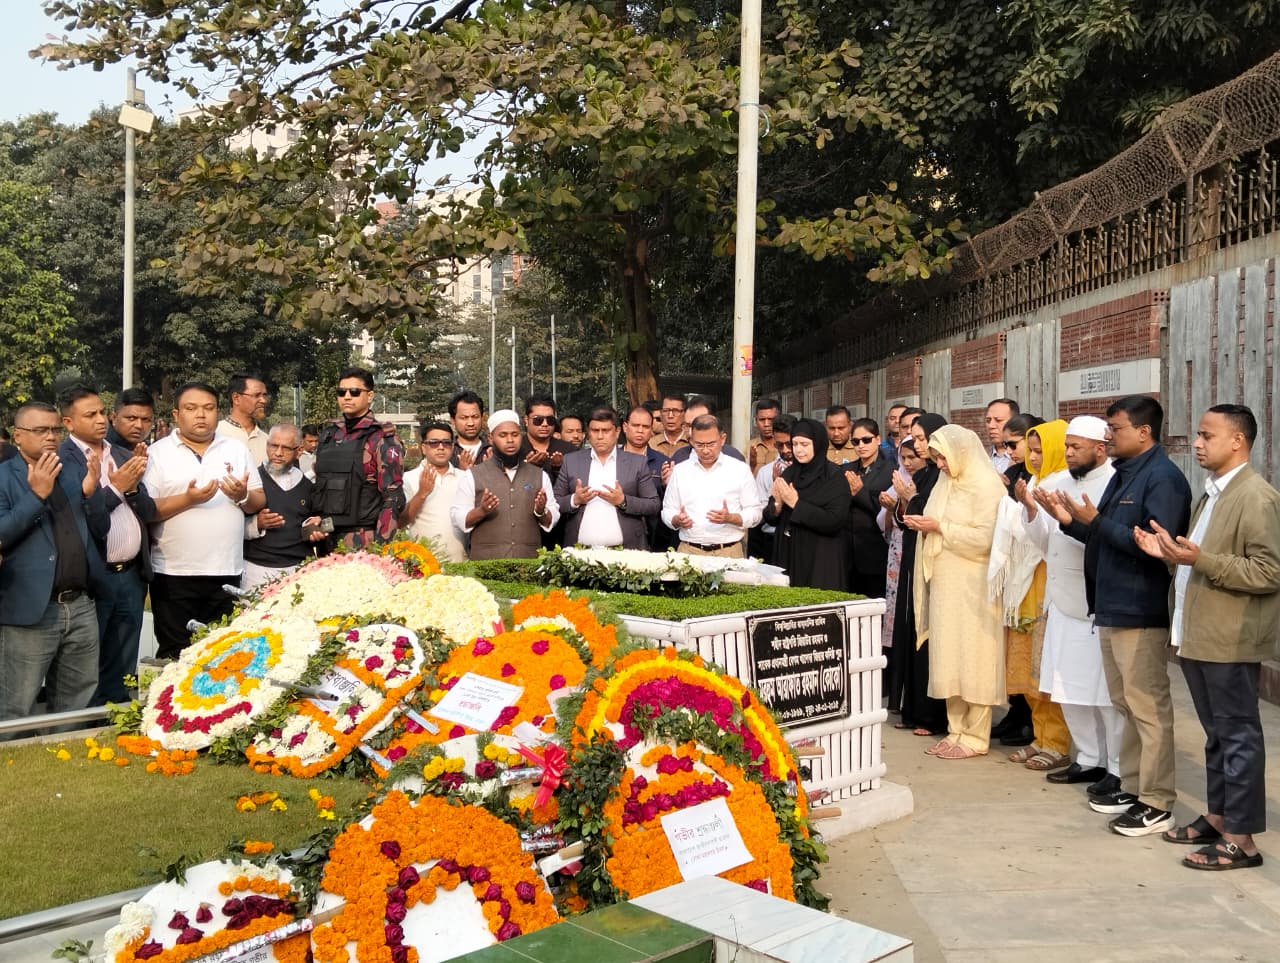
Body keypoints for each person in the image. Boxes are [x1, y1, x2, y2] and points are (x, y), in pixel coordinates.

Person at [1133, 404, 1279, 869]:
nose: (1196, 443)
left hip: (1230, 638)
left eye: (1206, 435)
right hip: (1199, 633)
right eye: (1198, 434)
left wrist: (1199, 560)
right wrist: (1167, 553)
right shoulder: (1214, 493)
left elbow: (1268, 571)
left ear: (1238, 440)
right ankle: (1219, 817)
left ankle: (1242, 839)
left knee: (1238, 737)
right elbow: (1200, 559)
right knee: (1217, 735)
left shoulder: (1256, 497)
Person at [1051, 394, 1191, 836]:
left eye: (1117, 429)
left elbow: (1154, 546)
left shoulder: (1163, 478)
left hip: (1138, 608)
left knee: (1148, 708)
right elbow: (1106, 537)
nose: (1109, 436)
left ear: (1144, 432)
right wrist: (1072, 522)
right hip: (1111, 605)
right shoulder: (1126, 472)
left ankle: (1157, 801)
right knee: (1126, 704)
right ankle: (1131, 786)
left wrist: (1095, 521)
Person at [1025, 416, 1122, 791]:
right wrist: (1032, 512)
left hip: (1094, 604)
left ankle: (1116, 765)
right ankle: (1088, 758)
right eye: (1066, 446)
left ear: (1100, 448)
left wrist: (1072, 521)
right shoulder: (1057, 483)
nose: (1067, 453)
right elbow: (1043, 543)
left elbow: (1105, 539)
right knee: (1068, 689)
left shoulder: (1114, 483)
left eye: (1076, 447)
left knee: (1104, 695)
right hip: (1061, 600)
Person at [0, 402, 109, 723]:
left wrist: (91, 493)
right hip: (31, 608)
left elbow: (100, 528)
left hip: (80, 604)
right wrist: (36, 496)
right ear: (18, 436)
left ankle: (66, 750)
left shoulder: (72, 470)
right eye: (40, 430)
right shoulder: (4, 477)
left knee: (78, 698)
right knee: (17, 704)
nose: (50, 437)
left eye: (55, 430)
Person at [904, 424, 1007, 759]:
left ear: (961, 452)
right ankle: (956, 729)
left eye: (943, 458)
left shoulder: (987, 485)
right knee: (948, 655)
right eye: (936, 459)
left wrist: (939, 527)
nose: (940, 465)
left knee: (975, 656)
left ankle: (976, 736)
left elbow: (987, 539)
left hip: (974, 586)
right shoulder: (945, 482)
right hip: (945, 584)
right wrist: (924, 525)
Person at [144, 382, 266, 658]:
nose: (201, 414)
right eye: (191, 408)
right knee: (175, 654)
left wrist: (243, 496)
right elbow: (148, 510)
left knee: (222, 653)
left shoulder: (235, 449)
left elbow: (258, 500)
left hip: (226, 568)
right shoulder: (157, 453)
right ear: (176, 414)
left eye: (208, 408)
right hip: (173, 573)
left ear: (218, 412)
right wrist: (188, 499)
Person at [58, 386, 155, 705]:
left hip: (131, 575)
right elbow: (81, 519)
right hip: (93, 577)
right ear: (68, 422)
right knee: (86, 665)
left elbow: (147, 510)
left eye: (102, 412)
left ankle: (115, 716)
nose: (101, 420)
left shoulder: (123, 455)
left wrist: (132, 487)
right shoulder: (62, 461)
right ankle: (85, 720)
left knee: (123, 662)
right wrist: (115, 489)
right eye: (90, 415)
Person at [991, 419, 1072, 772]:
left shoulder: (1064, 483)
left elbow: (1051, 536)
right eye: (1032, 450)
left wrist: (1028, 508)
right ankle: (1040, 736)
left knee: (1046, 668)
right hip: (1024, 584)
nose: (1034, 457)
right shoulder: (1035, 481)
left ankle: (1057, 742)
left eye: (1040, 451)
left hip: (1047, 582)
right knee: (1027, 668)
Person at [889, 413, 948, 736]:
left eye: (923, 438)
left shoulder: (943, 476)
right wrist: (903, 501)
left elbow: (933, 514)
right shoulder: (924, 473)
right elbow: (909, 519)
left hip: (937, 563)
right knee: (912, 631)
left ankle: (930, 715)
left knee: (929, 637)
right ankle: (912, 710)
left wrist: (910, 498)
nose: (919, 445)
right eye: (915, 438)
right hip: (914, 557)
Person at [989, 412, 1044, 747]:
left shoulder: (1043, 477)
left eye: (1013, 444)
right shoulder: (1012, 473)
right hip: (1013, 571)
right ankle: (1016, 712)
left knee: (1029, 650)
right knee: (1013, 649)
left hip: (1034, 571)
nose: (1008, 451)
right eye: (1005, 446)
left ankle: (1030, 722)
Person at [311, 367, 406, 549]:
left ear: (369, 396)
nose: (347, 397)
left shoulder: (382, 437)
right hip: (326, 540)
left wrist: (381, 548)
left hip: (364, 541)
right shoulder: (329, 435)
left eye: (354, 392)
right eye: (341, 392)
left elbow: (393, 498)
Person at [452, 409, 559, 560]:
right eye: (503, 435)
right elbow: (458, 518)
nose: (510, 440)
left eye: (515, 435)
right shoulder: (472, 475)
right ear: (491, 438)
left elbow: (552, 519)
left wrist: (541, 511)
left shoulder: (539, 475)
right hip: (486, 564)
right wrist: (482, 511)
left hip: (527, 563)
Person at [554, 407, 660, 549]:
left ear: (617, 431)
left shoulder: (637, 463)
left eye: (605, 430)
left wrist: (623, 501)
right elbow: (554, 502)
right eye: (595, 430)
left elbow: (653, 504)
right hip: (580, 551)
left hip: (626, 551)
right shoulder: (571, 461)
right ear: (588, 432)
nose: (600, 436)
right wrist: (575, 500)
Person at [765, 418, 852, 590]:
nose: (798, 450)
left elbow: (835, 520)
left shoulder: (834, 476)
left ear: (817, 444)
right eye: (795, 444)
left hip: (820, 556)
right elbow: (770, 517)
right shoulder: (789, 473)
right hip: (788, 554)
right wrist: (777, 506)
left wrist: (796, 504)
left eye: (804, 444)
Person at [662, 414, 762, 558]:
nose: (705, 450)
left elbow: (755, 512)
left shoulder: (739, 470)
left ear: (722, 439)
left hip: (729, 551)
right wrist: (677, 520)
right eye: (699, 445)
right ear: (691, 441)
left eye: (710, 444)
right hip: (689, 551)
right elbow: (667, 510)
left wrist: (731, 518)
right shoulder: (680, 471)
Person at [242, 423, 323, 591]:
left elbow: (313, 521)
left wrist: (314, 529)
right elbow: (232, 529)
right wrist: (257, 524)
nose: (278, 453)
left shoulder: (308, 486)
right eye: (273, 446)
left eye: (286, 448)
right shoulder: (251, 482)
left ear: (299, 451)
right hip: (255, 570)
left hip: (298, 571)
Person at [400, 421, 467, 563]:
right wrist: (421, 493)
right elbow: (401, 521)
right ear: (424, 448)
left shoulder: (464, 477)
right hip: (423, 563)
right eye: (434, 443)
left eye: (446, 443)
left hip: (460, 561)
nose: (441, 447)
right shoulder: (409, 478)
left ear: (452, 447)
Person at [843, 417, 895, 598]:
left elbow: (885, 508)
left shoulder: (890, 471)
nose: (861, 445)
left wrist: (860, 492)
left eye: (866, 440)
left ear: (878, 439)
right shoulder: (846, 469)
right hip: (847, 552)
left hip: (875, 549)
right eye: (855, 441)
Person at [621, 405, 671, 551]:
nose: (640, 430)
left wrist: (666, 486)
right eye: (635, 425)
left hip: (653, 537)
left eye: (645, 426)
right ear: (625, 427)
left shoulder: (663, 463)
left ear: (651, 430)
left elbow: (668, 505)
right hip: (618, 532)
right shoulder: (611, 460)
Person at [750, 414, 793, 561]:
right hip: (771, 539)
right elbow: (760, 512)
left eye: (789, 444)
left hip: (799, 539)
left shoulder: (808, 469)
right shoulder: (766, 472)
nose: (785, 450)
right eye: (779, 445)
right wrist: (775, 496)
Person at [216, 372, 270, 464]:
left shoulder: (268, 441)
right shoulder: (215, 434)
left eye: (264, 395)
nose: (263, 401)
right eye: (257, 395)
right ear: (236, 398)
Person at [671, 398, 746, 463]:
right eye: (687, 426)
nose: (691, 433)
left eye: (698, 426)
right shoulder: (679, 457)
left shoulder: (734, 458)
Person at [448, 391, 490, 468]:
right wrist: (461, 471)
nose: (471, 423)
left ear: (482, 418)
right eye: (464, 418)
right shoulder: (446, 451)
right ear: (453, 421)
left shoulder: (492, 450)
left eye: (475, 417)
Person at [985, 398, 1020, 473]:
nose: (991, 426)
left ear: (1014, 422)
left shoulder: (1025, 457)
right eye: (988, 421)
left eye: (998, 420)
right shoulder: (981, 455)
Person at [748, 398, 781, 473]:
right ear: (756, 421)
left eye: (771, 419)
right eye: (762, 420)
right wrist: (751, 465)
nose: (766, 424)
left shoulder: (787, 447)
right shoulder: (748, 448)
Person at [651, 393, 688, 459]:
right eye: (666, 411)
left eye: (676, 411)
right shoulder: (651, 444)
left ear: (685, 414)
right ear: (660, 414)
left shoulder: (692, 443)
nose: (670, 416)